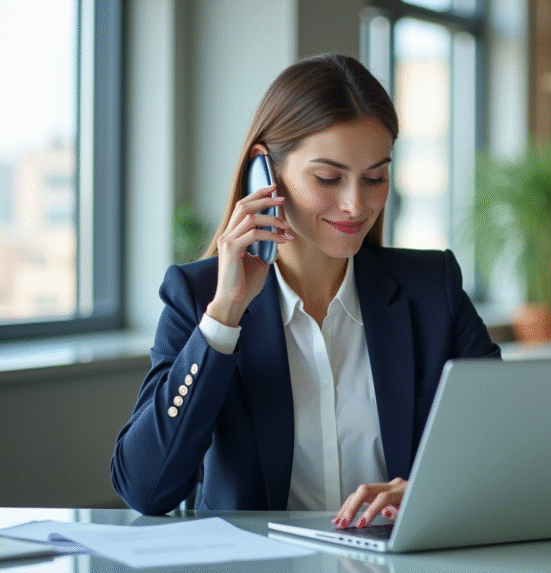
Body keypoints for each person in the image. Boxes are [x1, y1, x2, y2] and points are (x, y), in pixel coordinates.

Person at [110, 54, 501, 525]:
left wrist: (427, 491)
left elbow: (504, 448)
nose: (356, 204)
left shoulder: (431, 290)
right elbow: (145, 487)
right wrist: (224, 317)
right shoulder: (198, 297)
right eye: (328, 178)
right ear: (266, 173)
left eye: (375, 177)